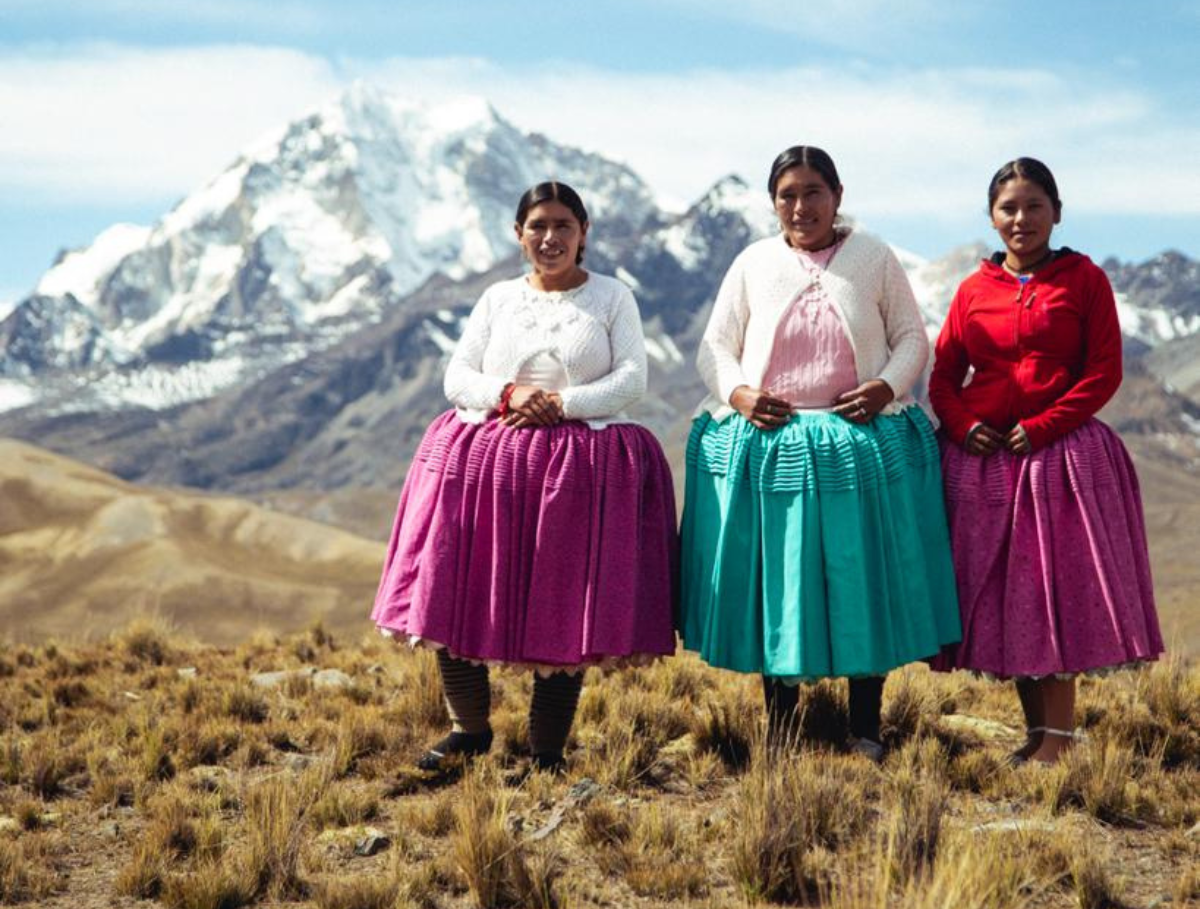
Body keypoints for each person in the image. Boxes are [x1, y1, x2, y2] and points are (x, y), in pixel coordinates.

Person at [371, 181, 677, 773]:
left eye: (563, 225)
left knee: (561, 602)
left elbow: (632, 379)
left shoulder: (613, 299)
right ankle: (470, 729)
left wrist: (560, 404)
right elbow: (458, 376)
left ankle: (547, 749)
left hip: (577, 468)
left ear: (584, 232)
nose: (550, 237)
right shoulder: (497, 299)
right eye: (538, 226)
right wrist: (510, 393)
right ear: (518, 235)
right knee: (456, 584)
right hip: (486, 464)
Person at [678, 145, 961, 760]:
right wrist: (742, 394)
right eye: (787, 194)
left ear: (837, 195)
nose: (800, 206)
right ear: (773, 202)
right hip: (774, 448)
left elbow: (912, 336)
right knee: (780, 583)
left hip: (858, 445)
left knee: (861, 579)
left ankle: (865, 727)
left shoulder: (873, 257)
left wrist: (887, 385)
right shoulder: (754, 262)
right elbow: (714, 348)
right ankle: (781, 727)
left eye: (813, 192)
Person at [929, 157, 1162, 764]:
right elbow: (945, 376)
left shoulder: (1084, 280)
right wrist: (964, 425)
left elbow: (1103, 371)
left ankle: (1057, 741)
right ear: (991, 217)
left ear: (1057, 212)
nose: (1021, 219)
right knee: (1012, 599)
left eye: (1034, 206)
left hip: (1061, 462)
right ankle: (1037, 736)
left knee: (1055, 593)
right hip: (985, 464)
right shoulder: (974, 290)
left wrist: (1043, 426)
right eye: (1008, 208)